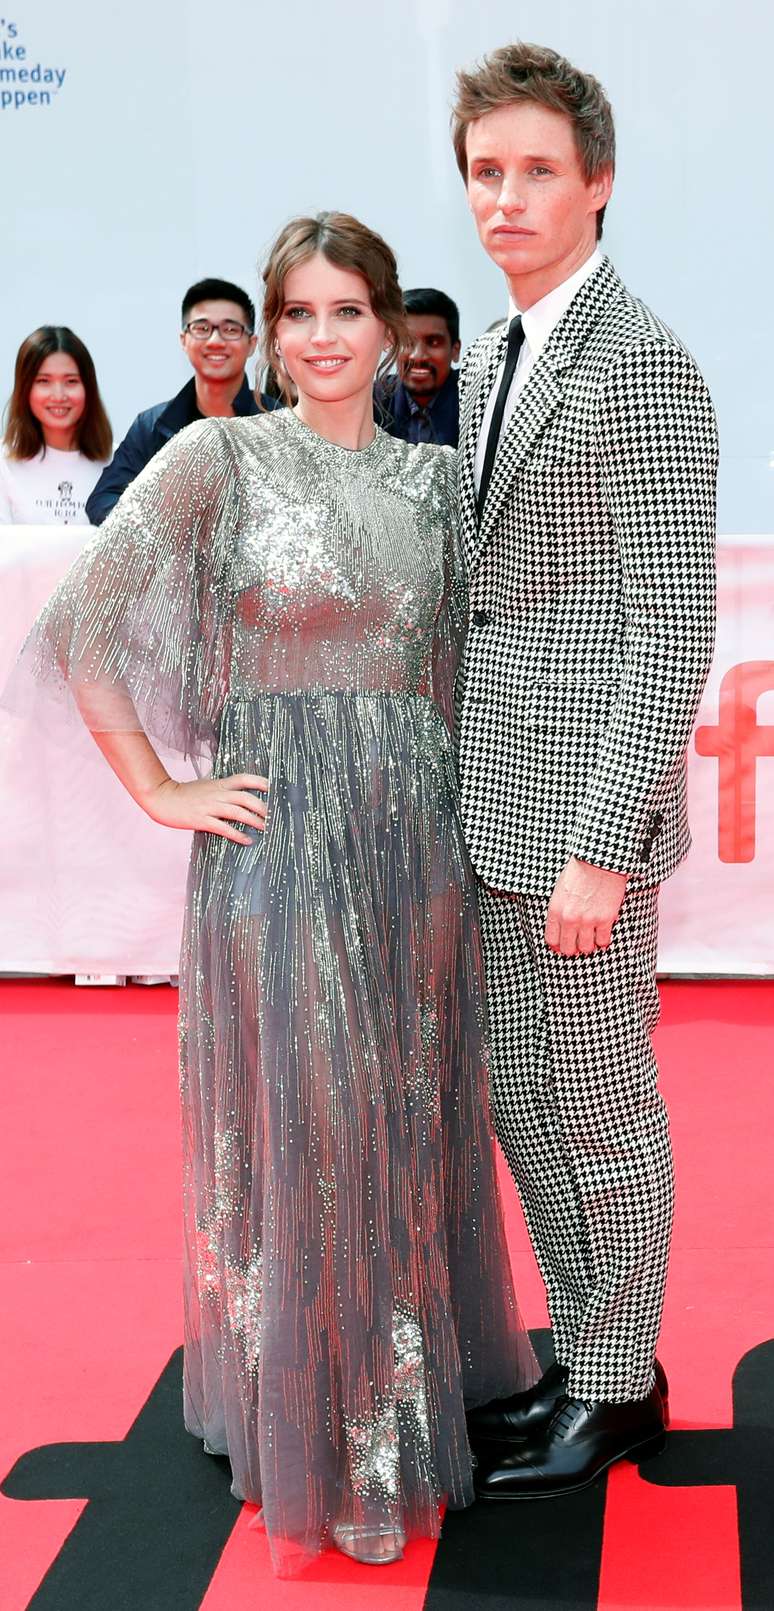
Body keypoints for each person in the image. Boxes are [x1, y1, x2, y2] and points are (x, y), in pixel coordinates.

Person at [10, 211, 537, 1572]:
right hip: (280, 847)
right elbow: (79, 626)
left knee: (406, 1119)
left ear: (389, 325)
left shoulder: (440, 485)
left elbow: (482, 670)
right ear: (267, 330)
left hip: (416, 848)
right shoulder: (217, 458)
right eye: (296, 312)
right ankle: (333, 1431)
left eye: (346, 310)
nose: (320, 337)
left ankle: (403, 1392)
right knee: (316, 1128)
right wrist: (158, 787)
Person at [450, 43, 718, 1498]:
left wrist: (604, 846)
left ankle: (617, 1386)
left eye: (536, 170)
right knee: (523, 1095)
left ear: (597, 182)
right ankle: (593, 1350)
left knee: (598, 1102)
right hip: (493, 807)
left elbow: (668, 628)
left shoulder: (644, 367)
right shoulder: (492, 354)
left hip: (576, 830)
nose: (505, 198)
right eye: (484, 171)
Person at [85, 277, 277, 525]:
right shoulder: (153, 425)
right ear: (184, 340)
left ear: (251, 344)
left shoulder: (277, 422)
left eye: (230, 330)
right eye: (202, 328)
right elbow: (103, 500)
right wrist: (166, 526)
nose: (215, 341)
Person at [0, 326, 111, 524]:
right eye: (43, 381)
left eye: (71, 381)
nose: (59, 396)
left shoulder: (117, 462)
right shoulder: (4, 463)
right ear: (25, 389)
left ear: (88, 388)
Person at [374, 287, 461, 445]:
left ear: (455, 350)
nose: (418, 356)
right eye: (407, 342)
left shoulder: (474, 401)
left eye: (433, 342)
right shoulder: (373, 402)